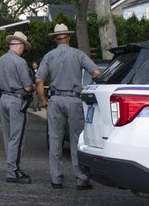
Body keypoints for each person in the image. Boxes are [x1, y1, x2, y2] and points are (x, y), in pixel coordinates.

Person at [36, 24, 101, 190]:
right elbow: (96, 73)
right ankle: (81, 178)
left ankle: (56, 179)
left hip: (55, 100)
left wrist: (43, 100)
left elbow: (39, 80)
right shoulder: (78, 54)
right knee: (77, 140)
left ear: (56, 39)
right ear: (68, 38)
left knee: (55, 139)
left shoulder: (49, 56)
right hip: (74, 100)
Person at [0, 31, 34, 184]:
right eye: (23, 46)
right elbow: (27, 86)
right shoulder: (20, 62)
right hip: (17, 100)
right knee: (17, 137)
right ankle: (13, 171)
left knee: (9, 136)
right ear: (19, 45)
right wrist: (32, 88)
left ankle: (14, 166)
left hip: (4, 98)